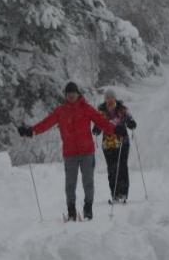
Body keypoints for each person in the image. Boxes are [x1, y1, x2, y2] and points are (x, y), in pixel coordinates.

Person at [17, 81, 115, 221]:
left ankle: (88, 208)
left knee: (88, 181)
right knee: (70, 184)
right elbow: (46, 123)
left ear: (77, 94)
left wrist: (115, 129)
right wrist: (31, 131)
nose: (71, 96)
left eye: (73, 93)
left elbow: (101, 121)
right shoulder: (61, 111)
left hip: (87, 151)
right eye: (68, 93)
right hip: (70, 154)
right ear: (66, 95)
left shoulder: (86, 108)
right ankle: (71, 210)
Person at [94, 87, 136, 203]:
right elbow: (97, 124)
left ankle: (123, 193)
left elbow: (130, 119)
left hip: (122, 142)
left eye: (111, 98)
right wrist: (96, 129)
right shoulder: (101, 111)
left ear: (115, 98)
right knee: (112, 170)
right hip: (108, 145)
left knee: (122, 168)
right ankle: (115, 194)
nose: (109, 100)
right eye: (107, 98)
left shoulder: (122, 109)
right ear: (105, 99)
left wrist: (131, 123)